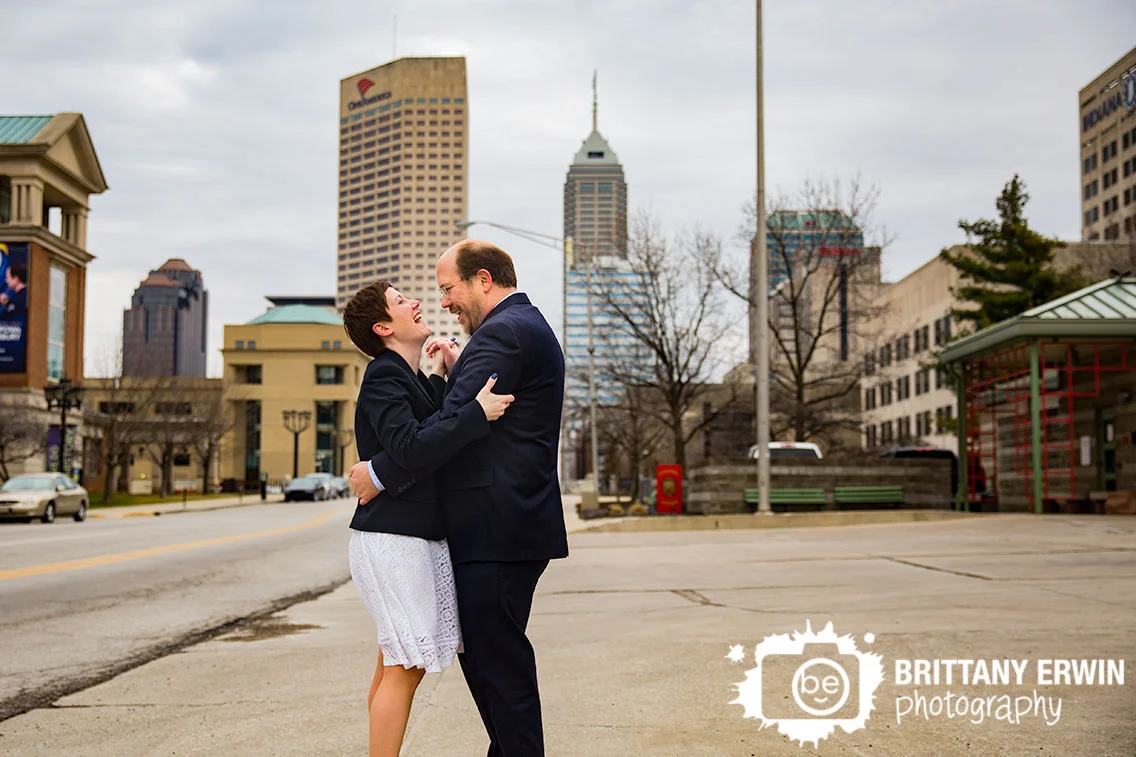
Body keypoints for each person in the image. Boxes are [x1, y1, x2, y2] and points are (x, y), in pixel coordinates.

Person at [350, 239, 568, 757]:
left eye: (449, 288)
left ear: (483, 280)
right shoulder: (511, 330)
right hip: (494, 526)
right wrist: (451, 377)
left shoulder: (504, 334)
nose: (442, 300)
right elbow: (446, 422)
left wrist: (378, 472)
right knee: (481, 663)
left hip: (496, 529)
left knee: (494, 666)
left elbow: (448, 424)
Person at [341, 280, 514, 757]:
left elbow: (429, 432)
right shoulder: (383, 375)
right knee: (405, 665)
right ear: (383, 327)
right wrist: (476, 412)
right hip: (395, 539)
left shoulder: (408, 375)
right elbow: (412, 447)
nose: (415, 302)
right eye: (401, 302)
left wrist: (442, 377)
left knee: (395, 662)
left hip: (411, 536)